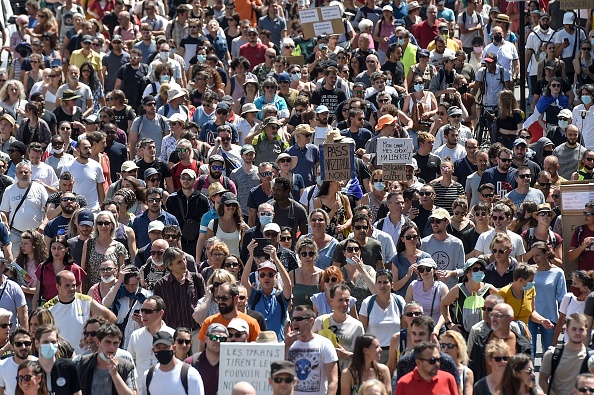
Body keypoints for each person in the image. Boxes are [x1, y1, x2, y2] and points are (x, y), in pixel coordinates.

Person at [45, 271, 116, 354]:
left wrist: (95, 337)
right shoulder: (48, 308)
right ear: (58, 286)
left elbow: (111, 318)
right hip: (61, 359)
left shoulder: (86, 301)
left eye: (73, 285)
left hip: (84, 358)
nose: (72, 289)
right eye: (67, 286)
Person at [468, 303, 532, 381]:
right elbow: (473, 367)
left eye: (498, 316)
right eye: (492, 315)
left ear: (510, 319)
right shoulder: (480, 340)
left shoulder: (522, 344)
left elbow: (529, 373)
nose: (493, 319)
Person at [285, 305, 338, 395]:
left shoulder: (325, 344)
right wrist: (286, 346)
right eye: (293, 319)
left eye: (298, 319)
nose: (294, 323)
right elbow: (280, 372)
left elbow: (333, 380)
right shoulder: (289, 344)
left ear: (310, 321)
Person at [74, 323, 137, 395]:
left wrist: (115, 375)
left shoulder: (126, 367)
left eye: (115, 343)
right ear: (98, 342)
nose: (111, 347)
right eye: (108, 342)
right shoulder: (82, 364)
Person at [540, 313, 592, 395]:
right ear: (567, 330)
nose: (577, 333)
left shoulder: (591, 357)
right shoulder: (552, 354)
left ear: (586, 330)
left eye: (581, 329)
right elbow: (542, 380)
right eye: (574, 329)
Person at [144, 331, 205, 395]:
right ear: (153, 350)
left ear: (174, 348)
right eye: (158, 348)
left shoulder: (190, 375)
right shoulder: (148, 376)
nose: (162, 350)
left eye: (165, 347)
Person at [33, 323, 82, 395]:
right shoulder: (31, 369)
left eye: (53, 342)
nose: (50, 345)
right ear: (37, 343)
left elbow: (77, 392)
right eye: (45, 342)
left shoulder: (68, 366)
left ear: (57, 343)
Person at [0, 327, 37, 395]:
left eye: (27, 343)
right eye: (18, 344)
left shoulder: (38, 364)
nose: (23, 347)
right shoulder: (3, 365)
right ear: (11, 346)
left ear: (31, 345)